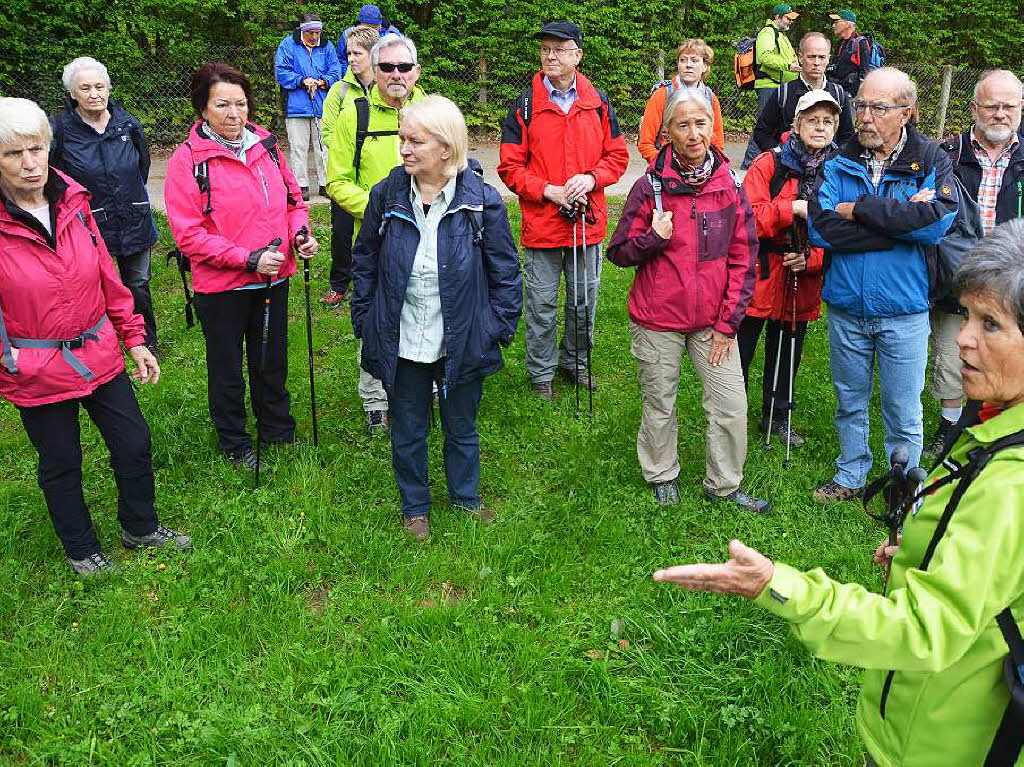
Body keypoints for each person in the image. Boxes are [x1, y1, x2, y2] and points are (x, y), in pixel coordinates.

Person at [653, 219, 1024, 766]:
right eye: (966, 315)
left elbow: (925, 631)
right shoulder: (997, 429)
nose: (964, 337)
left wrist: (779, 587)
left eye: (991, 324)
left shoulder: (1011, 483)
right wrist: (926, 554)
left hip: (940, 748)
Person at [0, 97, 190, 576]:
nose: (29, 163)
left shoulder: (74, 200)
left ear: (49, 147)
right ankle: (82, 548)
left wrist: (135, 338)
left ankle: (140, 527)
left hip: (97, 348)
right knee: (61, 461)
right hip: (37, 367)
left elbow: (108, 275)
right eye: (12, 154)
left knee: (133, 441)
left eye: (36, 149)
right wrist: (9, 358)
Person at [351, 95, 523, 541]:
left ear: (446, 148)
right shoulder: (386, 195)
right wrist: (366, 321)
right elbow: (365, 261)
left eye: (415, 141)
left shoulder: (481, 201)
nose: (404, 149)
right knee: (408, 428)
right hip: (402, 337)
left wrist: (496, 331)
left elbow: (505, 273)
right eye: (403, 140)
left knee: (461, 425)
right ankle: (415, 507)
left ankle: (466, 498)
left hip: (461, 339)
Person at [607, 88, 769, 514]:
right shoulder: (650, 188)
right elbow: (619, 252)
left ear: (712, 127)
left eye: (701, 123)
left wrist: (727, 325)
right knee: (660, 402)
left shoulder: (731, 186)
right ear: (668, 133)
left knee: (731, 405)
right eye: (684, 124)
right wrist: (652, 240)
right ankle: (662, 474)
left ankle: (725, 484)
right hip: (657, 319)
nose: (694, 133)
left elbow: (743, 258)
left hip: (712, 322)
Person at [808, 67, 958, 503]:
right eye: (861, 106)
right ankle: (851, 474)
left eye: (878, 108)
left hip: (904, 309)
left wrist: (859, 209)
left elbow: (936, 225)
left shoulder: (931, 159)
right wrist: (897, 221)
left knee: (902, 407)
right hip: (847, 307)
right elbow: (820, 229)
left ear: (906, 113)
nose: (866, 117)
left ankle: (903, 485)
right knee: (849, 400)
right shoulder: (839, 159)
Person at [165, 63, 319, 470]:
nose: (235, 114)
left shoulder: (266, 145)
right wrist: (247, 259)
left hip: (274, 277)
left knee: (271, 361)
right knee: (227, 369)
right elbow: (188, 234)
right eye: (223, 105)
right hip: (222, 286)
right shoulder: (187, 161)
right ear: (203, 109)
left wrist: (299, 235)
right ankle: (235, 443)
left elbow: (293, 202)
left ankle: (277, 432)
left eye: (241, 104)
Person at [498, 21, 629, 400]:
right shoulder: (525, 106)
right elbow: (509, 167)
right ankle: (541, 373)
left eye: (559, 48)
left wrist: (591, 178)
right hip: (542, 224)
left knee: (583, 302)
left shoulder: (598, 102)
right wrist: (548, 190)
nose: (550, 55)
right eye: (545, 49)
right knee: (540, 304)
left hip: (586, 224)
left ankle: (576, 363)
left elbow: (618, 156)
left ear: (577, 55)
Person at [326, 35, 425, 435]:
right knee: (374, 315)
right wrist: (379, 211)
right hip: (376, 235)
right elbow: (336, 180)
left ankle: (427, 385)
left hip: (427, 230)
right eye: (387, 67)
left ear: (416, 71)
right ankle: (376, 398)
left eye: (404, 67)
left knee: (425, 307)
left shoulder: (432, 110)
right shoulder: (355, 115)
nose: (396, 75)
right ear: (375, 70)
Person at [924, 69, 1024, 460]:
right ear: (974, 109)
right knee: (953, 359)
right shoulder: (947, 155)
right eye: (991, 106)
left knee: (1007, 359)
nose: (1000, 114)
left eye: (1009, 106)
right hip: (958, 281)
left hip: (1015, 284)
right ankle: (950, 429)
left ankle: (1003, 431)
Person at [739, 90, 841, 448]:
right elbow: (746, 218)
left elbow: (845, 232)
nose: (820, 127)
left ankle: (777, 416)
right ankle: (731, 415)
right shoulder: (769, 164)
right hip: (762, 269)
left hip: (802, 275)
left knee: (788, 350)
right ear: (796, 124)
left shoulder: (841, 170)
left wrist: (812, 258)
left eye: (828, 121)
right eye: (812, 120)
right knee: (743, 346)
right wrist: (790, 209)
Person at [49, 56, 160, 355]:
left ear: (109, 89)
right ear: (73, 94)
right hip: (87, 222)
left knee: (137, 283)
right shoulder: (59, 129)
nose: (94, 94)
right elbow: (51, 174)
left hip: (132, 215)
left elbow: (143, 166)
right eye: (85, 88)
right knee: (92, 285)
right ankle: (101, 343)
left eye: (100, 86)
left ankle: (147, 341)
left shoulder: (127, 123)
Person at [320, 26, 380, 307]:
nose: (351, 59)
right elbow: (328, 132)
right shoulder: (339, 91)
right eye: (349, 53)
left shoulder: (389, 86)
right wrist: (349, 150)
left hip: (375, 173)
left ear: (373, 54)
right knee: (341, 233)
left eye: (357, 53)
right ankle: (339, 284)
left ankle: (369, 283)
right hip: (345, 172)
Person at [750, 32, 855, 156]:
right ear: (800, 57)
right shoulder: (783, 93)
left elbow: (847, 136)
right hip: (788, 171)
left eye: (821, 57)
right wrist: (780, 156)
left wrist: (835, 159)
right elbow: (762, 132)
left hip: (827, 170)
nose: (816, 62)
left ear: (828, 59)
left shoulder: (838, 94)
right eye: (811, 57)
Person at [275, 12, 342, 201]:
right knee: (298, 148)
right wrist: (302, 80)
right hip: (296, 106)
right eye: (310, 32)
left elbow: (336, 71)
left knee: (324, 147)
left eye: (317, 32)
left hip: (322, 104)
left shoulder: (327, 46)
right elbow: (282, 72)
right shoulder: (288, 45)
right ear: (302, 30)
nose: (314, 36)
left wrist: (321, 82)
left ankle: (325, 184)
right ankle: (301, 186)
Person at [638, 39, 725, 160]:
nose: (688, 65)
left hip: (702, 171)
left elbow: (718, 144)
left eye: (694, 60)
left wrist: (709, 169)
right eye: (683, 60)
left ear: (705, 66)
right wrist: (663, 166)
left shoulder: (710, 98)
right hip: (667, 169)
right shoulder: (662, 95)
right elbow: (645, 143)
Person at [740, 3, 800, 169]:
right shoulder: (768, 32)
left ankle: (767, 164)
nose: (790, 22)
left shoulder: (780, 35)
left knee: (776, 126)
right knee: (764, 124)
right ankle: (748, 165)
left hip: (779, 86)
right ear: (777, 17)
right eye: (788, 18)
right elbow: (764, 57)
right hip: (769, 85)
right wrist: (788, 66)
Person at [336, 4, 401, 75]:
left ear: (380, 24)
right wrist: (349, 76)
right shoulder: (348, 34)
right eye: (366, 28)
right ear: (360, 24)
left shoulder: (392, 35)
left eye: (373, 28)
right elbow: (341, 59)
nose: (370, 32)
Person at [828, 9, 872, 97]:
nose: (833, 25)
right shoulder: (841, 43)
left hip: (850, 96)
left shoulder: (860, 43)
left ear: (847, 24)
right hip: (837, 90)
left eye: (836, 22)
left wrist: (853, 94)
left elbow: (864, 73)